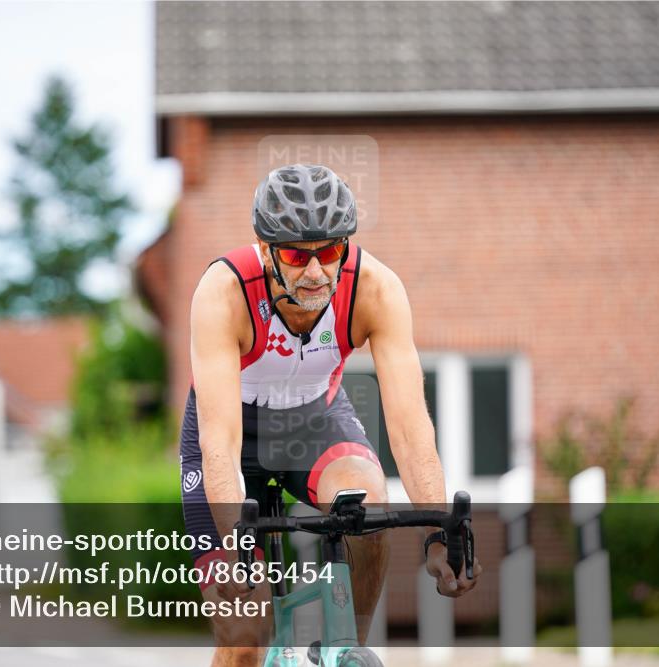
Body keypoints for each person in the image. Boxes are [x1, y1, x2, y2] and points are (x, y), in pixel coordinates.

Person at [181, 164, 481, 666]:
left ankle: (347, 644)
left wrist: (439, 531)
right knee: (245, 633)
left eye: (331, 252)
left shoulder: (375, 289)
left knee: (368, 501)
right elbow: (220, 447)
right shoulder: (224, 292)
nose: (317, 272)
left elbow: (410, 429)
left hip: (313, 422)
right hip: (232, 436)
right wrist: (236, 556)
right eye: (298, 255)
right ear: (266, 251)